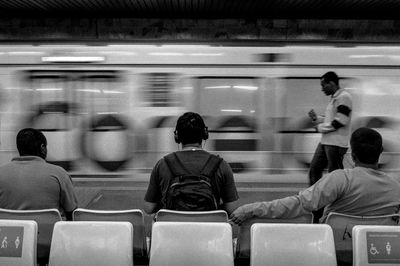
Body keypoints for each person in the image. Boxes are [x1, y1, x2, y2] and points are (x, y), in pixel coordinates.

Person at [230, 127, 400, 225]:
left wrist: (250, 209)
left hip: (333, 250)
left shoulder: (341, 179)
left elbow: (297, 205)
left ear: (352, 154)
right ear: (381, 153)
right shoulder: (395, 188)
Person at [144, 112, 239, 215]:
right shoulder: (221, 165)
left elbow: (148, 208)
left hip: (173, 229)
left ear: (177, 136)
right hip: (209, 229)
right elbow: (232, 208)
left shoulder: (163, 164)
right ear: (205, 134)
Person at [0, 128, 78, 220]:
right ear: (43, 148)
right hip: (50, 233)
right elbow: (72, 212)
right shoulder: (59, 174)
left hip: (10, 233)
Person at [308, 71, 353, 185]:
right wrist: (316, 118)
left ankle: (337, 199)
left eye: (323, 85)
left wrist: (320, 128)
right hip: (327, 142)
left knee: (334, 175)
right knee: (314, 169)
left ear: (332, 83)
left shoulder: (344, 97)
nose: (322, 89)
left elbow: (340, 121)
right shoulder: (335, 98)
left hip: (336, 144)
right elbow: (330, 119)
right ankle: (314, 196)